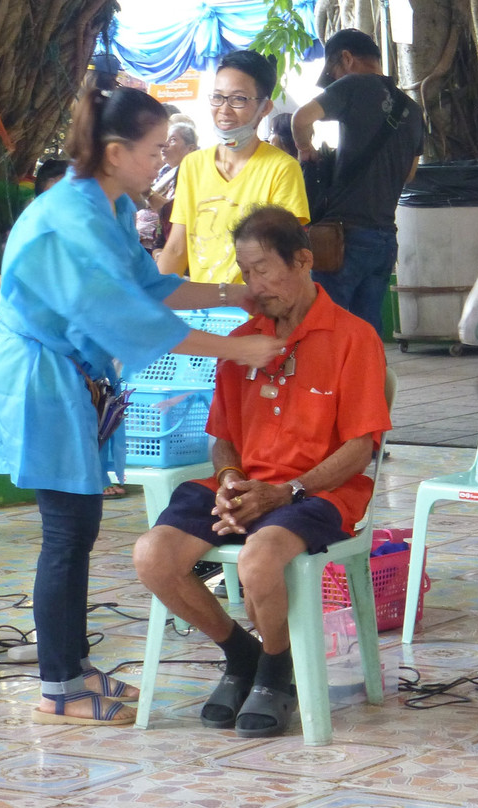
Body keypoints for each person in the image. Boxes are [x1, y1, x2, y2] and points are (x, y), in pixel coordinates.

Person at [0, 86, 283, 727]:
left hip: (72, 375)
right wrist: (241, 350)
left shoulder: (111, 205)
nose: (162, 161)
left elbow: (150, 286)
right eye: (154, 151)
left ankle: (70, 669)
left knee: (76, 530)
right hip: (45, 379)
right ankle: (60, 684)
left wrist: (240, 291)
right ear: (117, 151)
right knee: (66, 534)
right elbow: (129, 318)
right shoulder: (72, 215)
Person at [133, 205, 391, 739]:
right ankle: (243, 654)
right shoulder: (244, 340)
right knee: (152, 555)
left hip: (321, 491)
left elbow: (360, 448)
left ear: (302, 261)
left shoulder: (353, 337)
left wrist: (284, 492)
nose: (253, 285)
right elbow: (222, 436)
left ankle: (276, 670)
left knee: (259, 559)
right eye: (244, 272)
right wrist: (229, 482)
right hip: (250, 486)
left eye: (263, 270)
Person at [291, 29, 424, 337]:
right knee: (368, 330)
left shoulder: (352, 85)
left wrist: (306, 149)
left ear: (347, 59)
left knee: (326, 324)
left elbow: (301, 119)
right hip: (384, 238)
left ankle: (332, 385)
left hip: (343, 237)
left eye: (334, 71)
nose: (335, 78)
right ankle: (373, 384)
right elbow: (410, 174)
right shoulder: (413, 109)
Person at [158, 50, 310, 284]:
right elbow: (177, 249)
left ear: (265, 107)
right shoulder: (192, 165)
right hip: (204, 313)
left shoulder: (282, 169)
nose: (224, 109)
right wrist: (152, 303)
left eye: (238, 99)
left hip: (257, 313)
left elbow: (283, 259)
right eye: (218, 97)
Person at [138, 120, 197, 253]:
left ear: (191, 148)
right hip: (148, 243)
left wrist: (146, 191)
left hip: (165, 244)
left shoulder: (190, 174)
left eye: (173, 140)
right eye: (165, 140)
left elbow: (172, 211)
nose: (165, 145)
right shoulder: (163, 170)